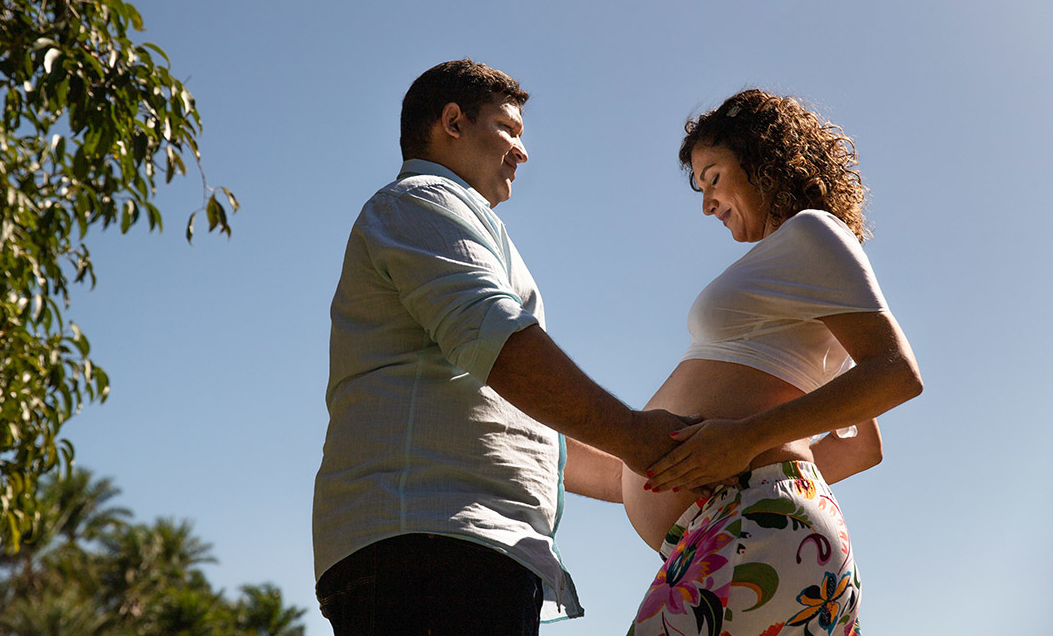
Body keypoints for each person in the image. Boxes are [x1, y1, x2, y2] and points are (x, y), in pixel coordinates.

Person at [312, 59, 693, 636]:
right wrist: (638, 436)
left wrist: (676, 474)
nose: (522, 152)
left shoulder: (461, 221)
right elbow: (501, 344)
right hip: (429, 547)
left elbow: (539, 434)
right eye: (510, 130)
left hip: (459, 546)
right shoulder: (420, 201)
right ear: (453, 122)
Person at [620, 89, 924, 636]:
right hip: (742, 527)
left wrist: (745, 445)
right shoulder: (790, 266)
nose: (706, 203)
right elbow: (861, 446)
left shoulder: (811, 231)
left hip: (752, 527)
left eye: (713, 177)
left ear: (764, 159)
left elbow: (896, 373)